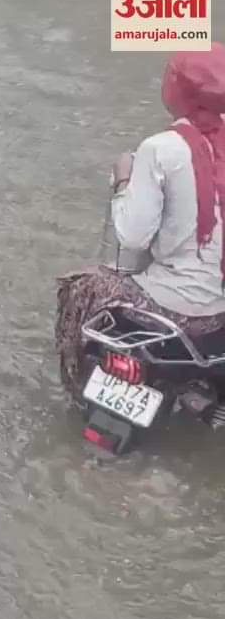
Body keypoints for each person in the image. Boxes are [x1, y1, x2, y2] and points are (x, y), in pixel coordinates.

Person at [57, 44, 225, 399]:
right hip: (220, 315)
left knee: (79, 286)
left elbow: (132, 237)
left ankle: (77, 387)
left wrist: (122, 180)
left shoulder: (160, 149)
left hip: (174, 313)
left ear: (175, 88)